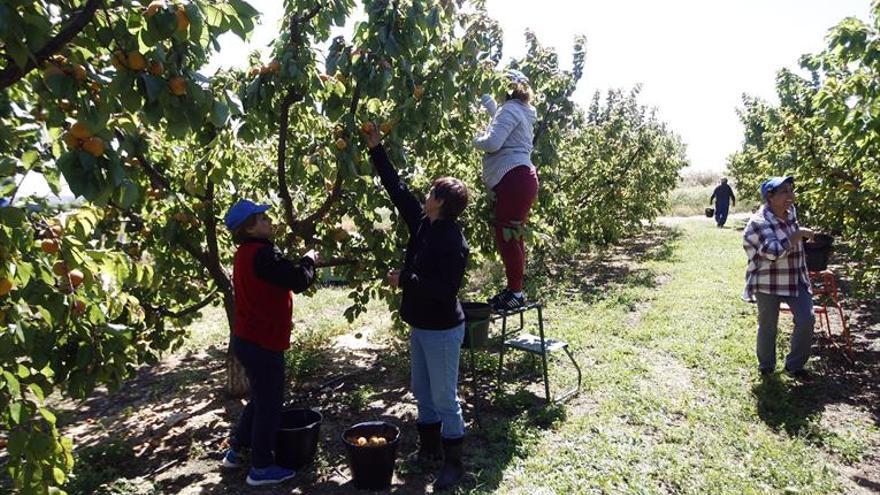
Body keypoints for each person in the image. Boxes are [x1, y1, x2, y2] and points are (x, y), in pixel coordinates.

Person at [365, 125, 470, 490]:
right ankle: (428, 451)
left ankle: (454, 463)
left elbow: (444, 291)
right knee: (422, 391)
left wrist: (405, 281)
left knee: (444, 397)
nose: (425, 196)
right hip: (421, 324)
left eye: (431, 192)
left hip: (442, 328)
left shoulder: (453, 242)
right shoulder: (424, 224)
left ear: (440, 201)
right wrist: (377, 150)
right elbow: (398, 191)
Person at [220, 199, 319, 486]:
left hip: (248, 339)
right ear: (249, 228)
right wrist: (309, 260)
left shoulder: (245, 253)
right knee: (269, 404)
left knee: (261, 398)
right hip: (262, 342)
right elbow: (298, 280)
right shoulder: (263, 254)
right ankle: (260, 467)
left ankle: (237, 449)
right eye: (262, 218)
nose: (268, 220)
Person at [473, 69, 539, 312]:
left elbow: (492, 142)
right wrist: (486, 100)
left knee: (507, 237)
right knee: (513, 235)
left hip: (514, 179)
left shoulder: (510, 109)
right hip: (521, 179)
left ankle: (516, 292)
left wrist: (474, 139)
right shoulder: (520, 109)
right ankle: (515, 290)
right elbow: (501, 121)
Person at [742, 176, 815, 380]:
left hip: (795, 278)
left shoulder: (790, 212)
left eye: (791, 190)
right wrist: (798, 235)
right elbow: (773, 252)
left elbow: (792, 243)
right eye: (784, 192)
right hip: (767, 281)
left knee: (807, 319)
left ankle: (794, 366)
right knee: (768, 325)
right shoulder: (758, 223)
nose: (790, 196)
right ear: (770, 197)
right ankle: (766, 367)